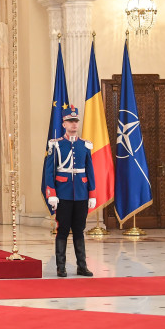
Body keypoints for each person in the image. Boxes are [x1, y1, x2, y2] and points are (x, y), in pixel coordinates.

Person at [44, 105, 96, 278]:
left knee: (79, 230)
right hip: (63, 194)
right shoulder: (56, 145)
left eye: (76, 121)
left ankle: (82, 266)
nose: (74, 124)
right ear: (64, 124)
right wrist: (52, 193)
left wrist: (92, 194)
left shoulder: (85, 145)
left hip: (81, 193)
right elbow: (49, 172)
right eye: (70, 121)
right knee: (63, 230)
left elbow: (90, 170)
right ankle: (61, 266)